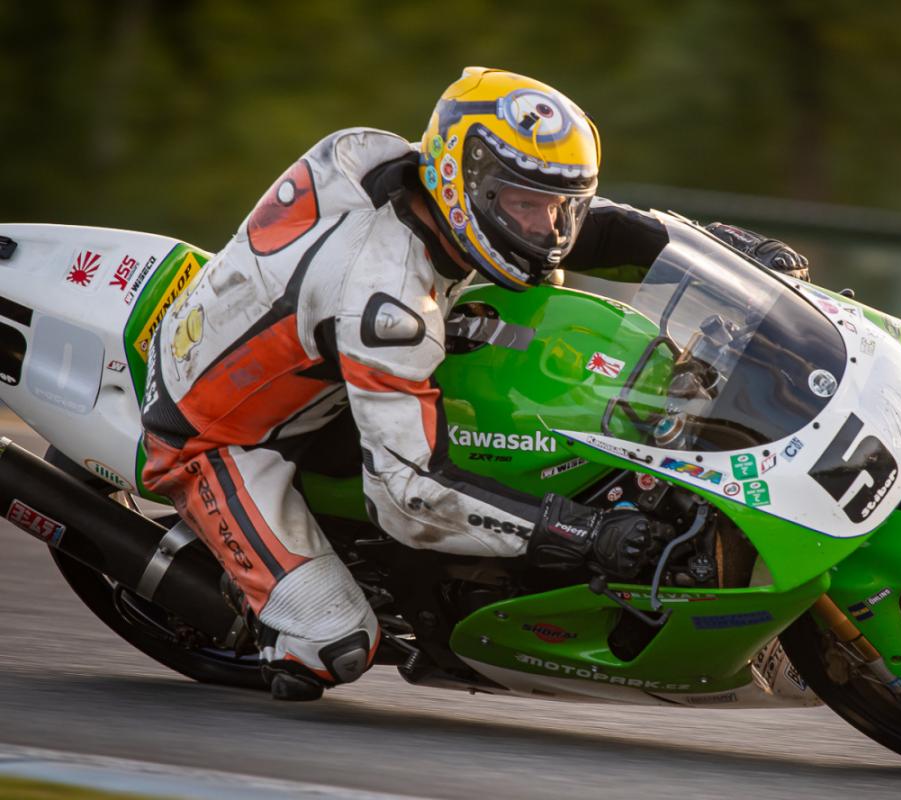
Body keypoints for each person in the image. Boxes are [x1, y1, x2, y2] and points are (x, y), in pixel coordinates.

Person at [139, 67, 808, 701]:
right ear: (464, 186)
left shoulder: (405, 169)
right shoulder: (389, 305)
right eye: (525, 205)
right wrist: (576, 531)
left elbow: (586, 228)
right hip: (224, 434)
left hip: (315, 350)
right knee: (333, 644)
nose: (547, 227)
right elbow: (407, 496)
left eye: (558, 205)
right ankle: (277, 615)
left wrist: (723, 258)